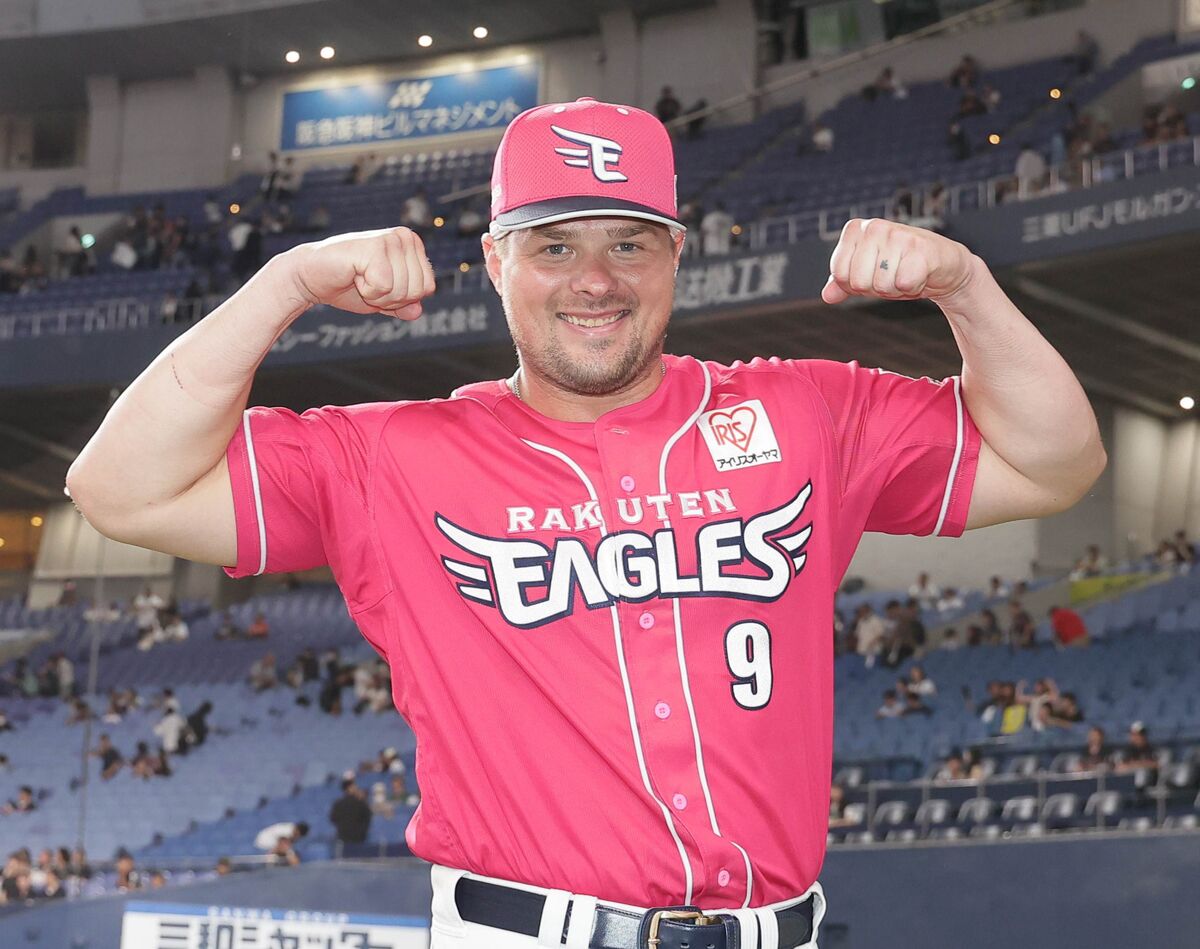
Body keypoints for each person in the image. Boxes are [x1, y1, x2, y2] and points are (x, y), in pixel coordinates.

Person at [67, 95, 1105, 947]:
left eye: (629, 243)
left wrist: (967, 288)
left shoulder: (803, 412)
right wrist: (283, 284)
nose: (595, 280)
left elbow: (1054, 461)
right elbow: (121, 489)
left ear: (677, 254)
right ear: (495, 261)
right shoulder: (392, 455)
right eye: (553, 245)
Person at [329, 776, 372, 846]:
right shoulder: (360, 803)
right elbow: (367, 818)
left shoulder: (338, 803)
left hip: (343, 837)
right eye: (354, 786)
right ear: (349, 788)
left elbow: (333, 818)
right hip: (358, 838)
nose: (356, 788)